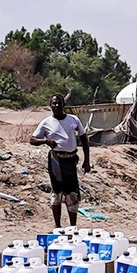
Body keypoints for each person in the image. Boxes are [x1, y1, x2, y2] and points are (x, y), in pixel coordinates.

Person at [29, 92, 91, 228]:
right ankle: (58, 227)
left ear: (64, 104)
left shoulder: (73, 120)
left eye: (59, 102)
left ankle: (73, 227)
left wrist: (87, 161)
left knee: (72, 193)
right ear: (50, 105)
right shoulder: (46, 123)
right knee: (57, 192)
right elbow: (32, 140)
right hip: (56, 160)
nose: (56, 105)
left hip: (71, 160)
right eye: (54, 103)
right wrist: (45, 140)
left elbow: (84, 139)